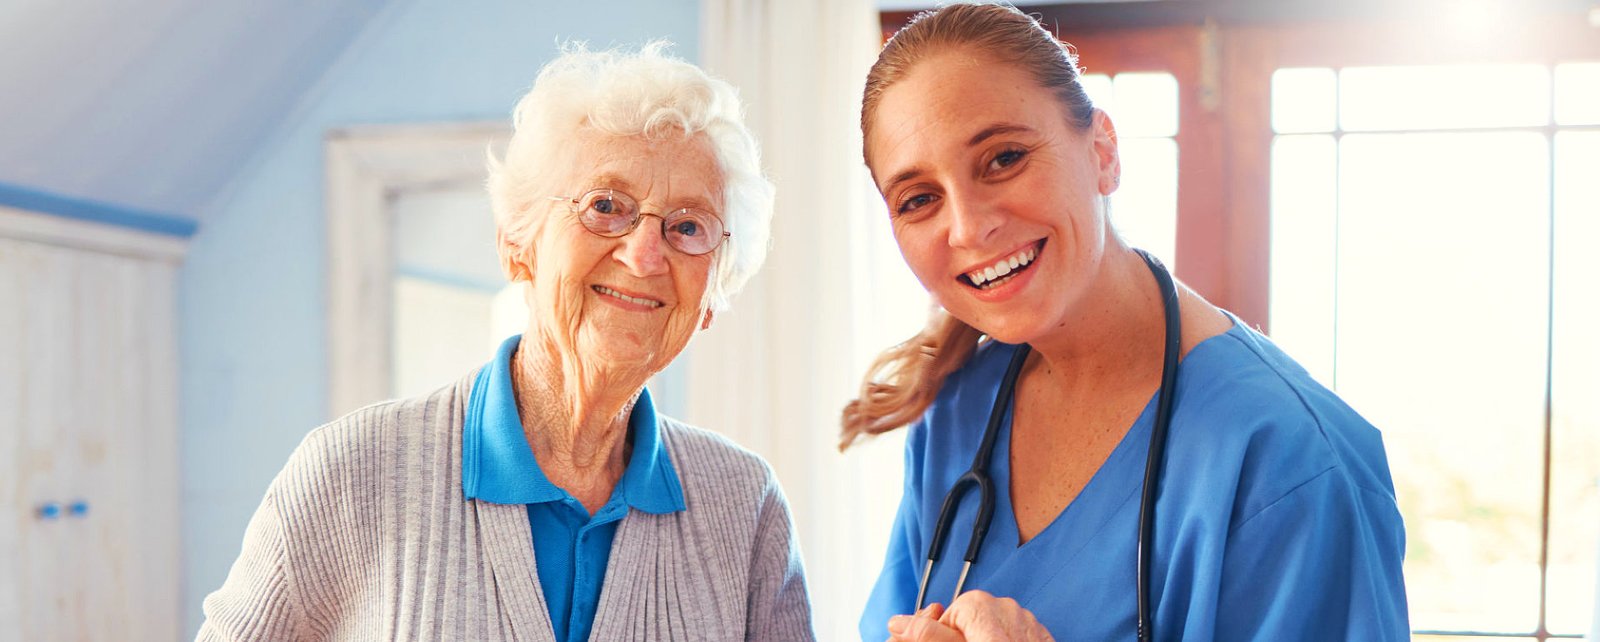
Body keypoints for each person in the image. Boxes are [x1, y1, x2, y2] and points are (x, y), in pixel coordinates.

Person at [198, 43, 815, 642]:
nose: (645, 254)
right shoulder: (351, 474)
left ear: (712, 291)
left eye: (688, 226)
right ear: (518, 244)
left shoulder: (744, 507)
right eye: (606, 206)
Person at [842, 4, 1408, 641]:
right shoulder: (958, 418)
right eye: (919, 199)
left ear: (1104, 152)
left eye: (1003, 158)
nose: (969, 227)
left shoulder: (1291, 463)